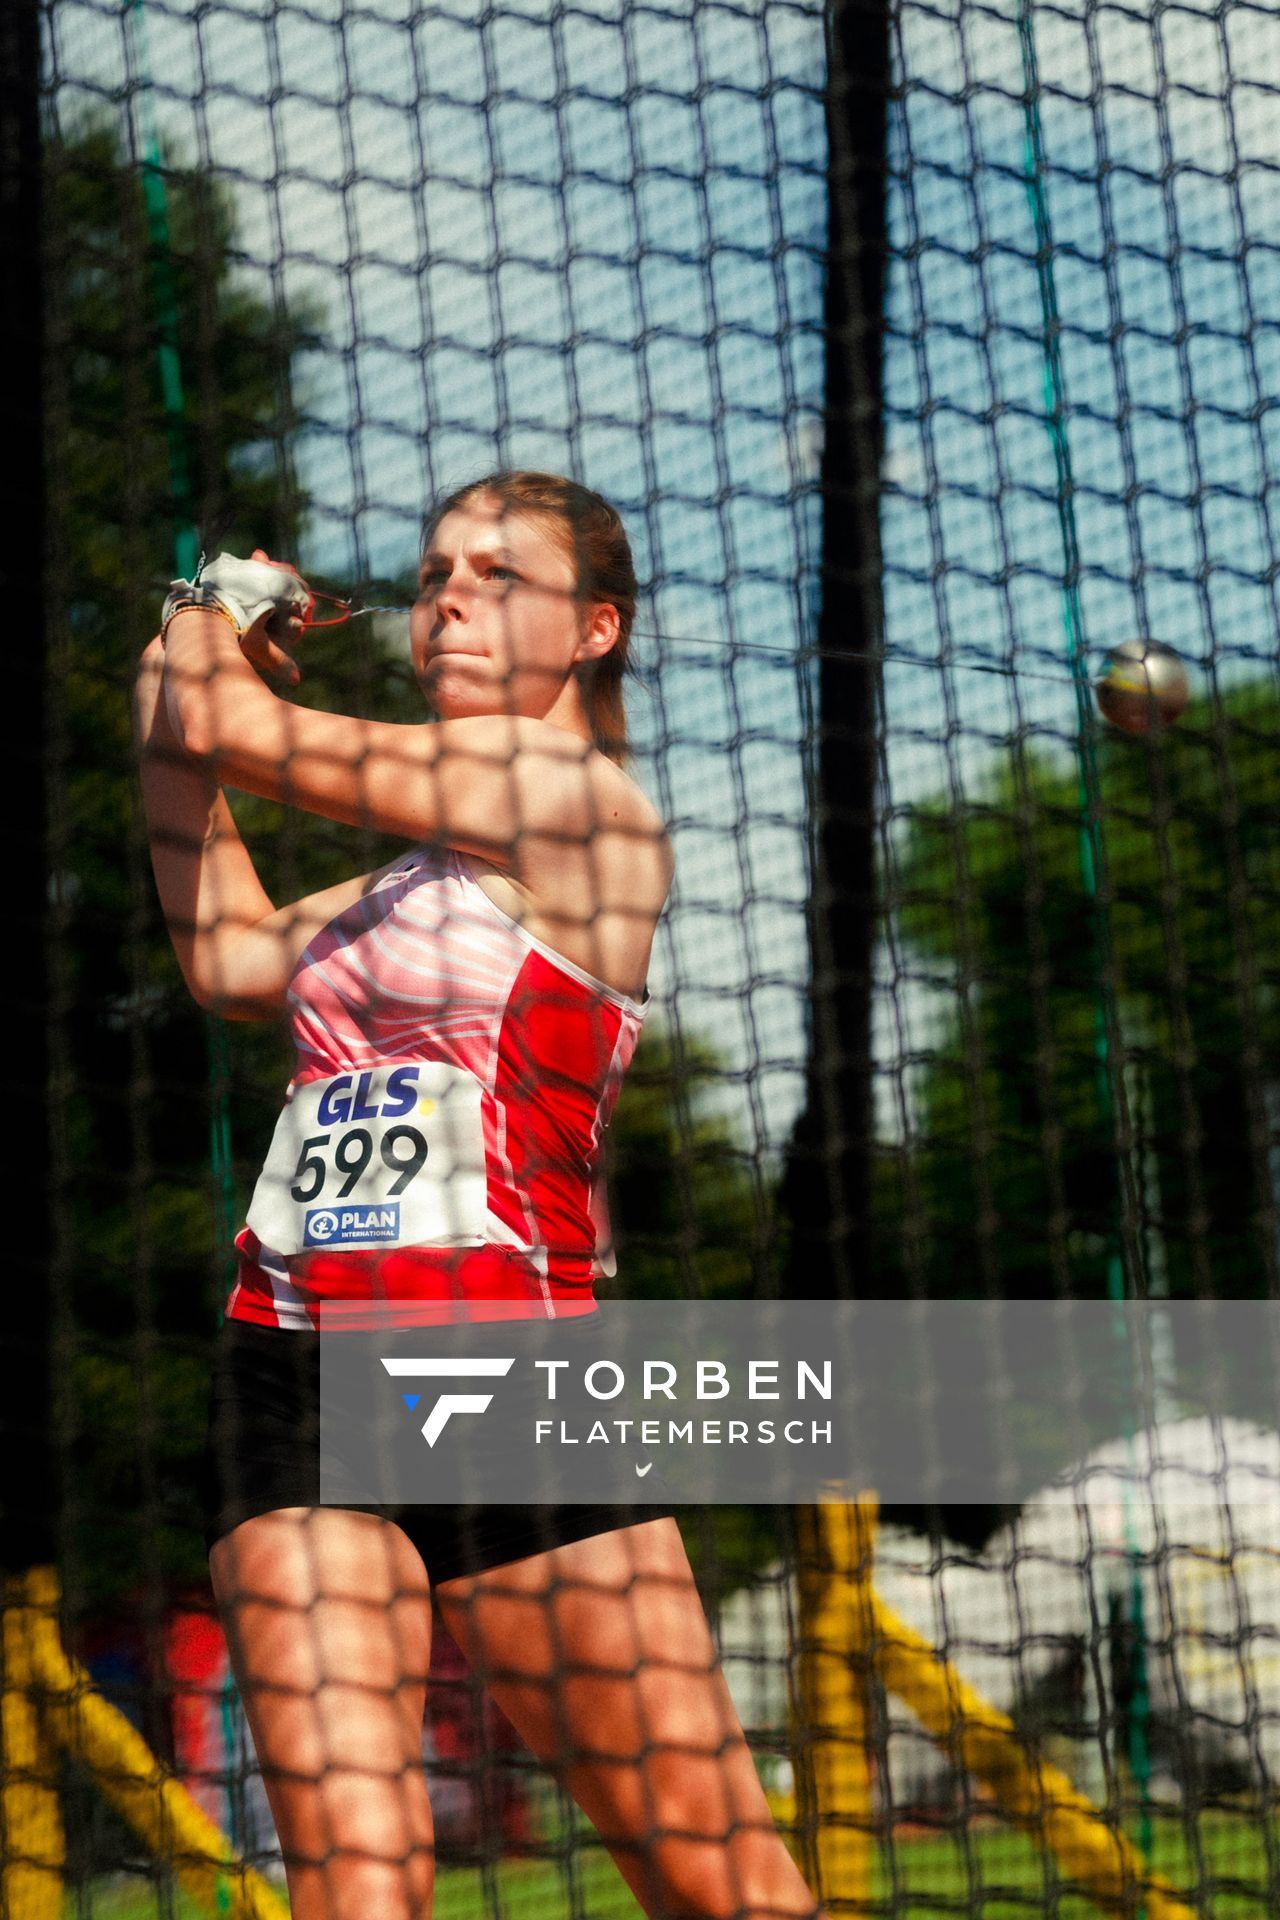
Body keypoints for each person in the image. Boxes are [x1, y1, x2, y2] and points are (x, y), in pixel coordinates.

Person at [135, 472, 822, 1920]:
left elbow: (247, 731)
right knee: (356, 1880)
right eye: (441, 567)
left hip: (497, 1369)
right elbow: (232, 956)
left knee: (727, 1890)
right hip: (292, 1373)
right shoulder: (397, 891)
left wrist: (204, 627)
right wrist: (168, 725)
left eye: (499, 574)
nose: (448, 590)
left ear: (594, 629)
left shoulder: (578, 805)